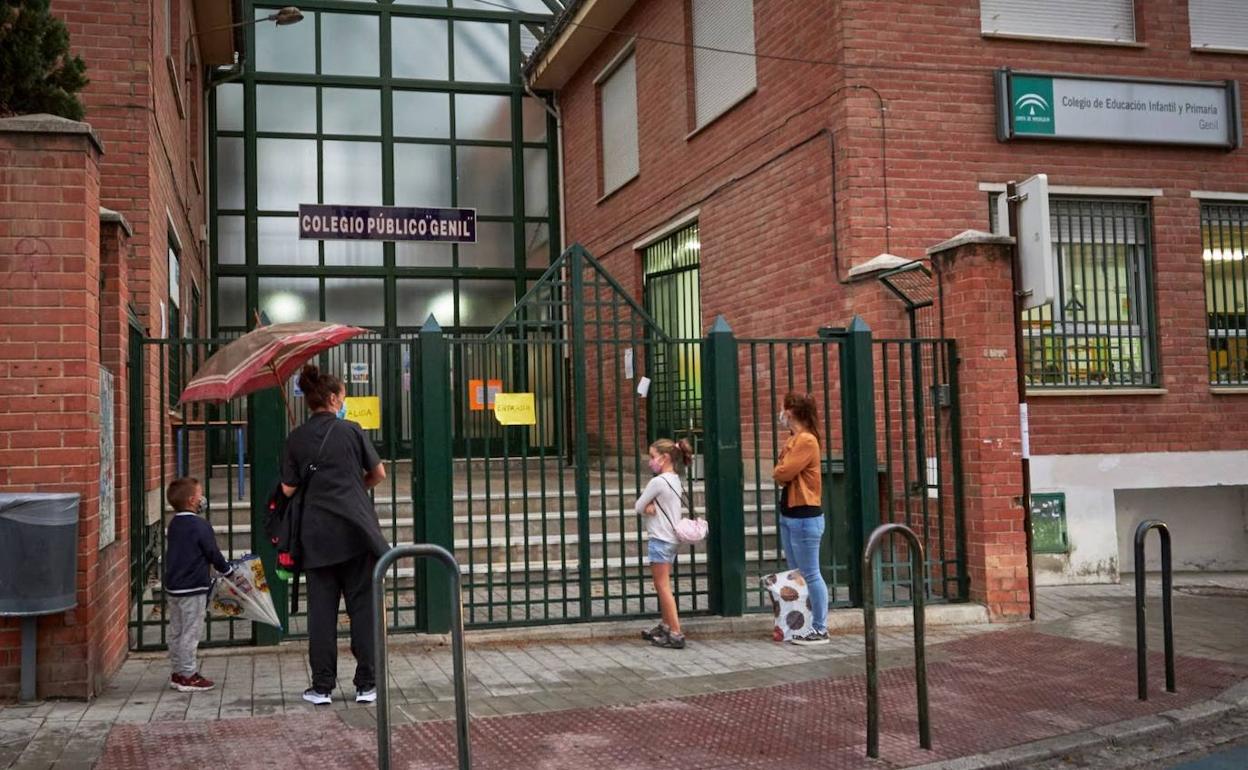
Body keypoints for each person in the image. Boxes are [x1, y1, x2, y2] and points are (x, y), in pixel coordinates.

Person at [281, 364, 389, 706]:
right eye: (342, 396)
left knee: (322, 614)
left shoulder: (296, 437)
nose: (344, 401)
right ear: (331, 398)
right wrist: (355, 488)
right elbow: (378, 474)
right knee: (363, 608)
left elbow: (287, 489)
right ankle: (367, 684)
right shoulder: (352, 430)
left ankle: (322, 686)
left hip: (317, 536)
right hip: (357, 533)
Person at [163, 476, 235, 692]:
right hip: (193, 587)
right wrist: (227, 570)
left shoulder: (174, 524)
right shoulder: (200, 525)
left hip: (174, 587)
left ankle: (177, 671)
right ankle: (188, 674)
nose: (203, 498)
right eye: (200, 494)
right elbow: (212, 552)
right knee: (191, 632)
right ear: (193, 500)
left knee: (176, 630)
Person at [773, 393, 830, 646]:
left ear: (792, 412)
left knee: (811, 574)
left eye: (783, 409)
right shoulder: (794, 439)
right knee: (797, 575)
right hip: (790, 515)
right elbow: (781, 471)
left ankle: (820, 628)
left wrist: (782, 469)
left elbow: (783, 471)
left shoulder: (806, 440)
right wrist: (782, 468)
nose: (780, 414)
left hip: (806, 517)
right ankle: (803, 625)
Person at [635, 438, 693, 650]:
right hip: (672, 538)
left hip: (659, 538)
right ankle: (665, 625)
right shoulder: (675, 479)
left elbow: (638, 505)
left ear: (665, 457)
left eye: (652, 456)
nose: (650, 461)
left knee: (662, 586)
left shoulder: (658, 482)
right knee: (664, 584)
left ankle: (676, 632)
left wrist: (647, 504)